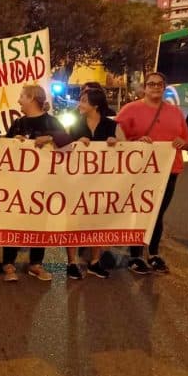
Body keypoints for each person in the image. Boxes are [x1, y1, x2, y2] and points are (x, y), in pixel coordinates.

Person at [116, 71, 188, 275]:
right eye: (151, 84)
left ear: (164, 87)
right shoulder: (131, 109)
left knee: (158, 213)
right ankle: (135, 255)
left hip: (169, 171)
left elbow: (187, 140)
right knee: (140, 211)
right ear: (144, 88)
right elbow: (116, 137)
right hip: (140, 171)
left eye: (160, 84)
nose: (156, 87)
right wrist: (135, 142)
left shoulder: (175, 112)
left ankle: (154, 253)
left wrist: (182, 143)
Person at [1, 84, 70, 282]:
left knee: (40, 223)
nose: (19, 100)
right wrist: (15, 141)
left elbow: (67, 140)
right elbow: (5, 147)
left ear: (31, 97)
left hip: (43, 185)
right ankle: (8, 263)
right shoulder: (18, 123)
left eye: (22, 96)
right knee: (13, 223)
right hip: (19, 184)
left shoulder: (51, 122)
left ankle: (36, 264)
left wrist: (48, 137)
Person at [65, 87, 126, 280]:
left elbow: (126, 148)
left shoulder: (111, 125)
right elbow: (62, 146)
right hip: (76, 182)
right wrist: (74, 141)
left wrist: (115, 142)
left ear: (96, 105)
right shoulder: (75, 125)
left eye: (83, 101)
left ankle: (94, 262)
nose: (79, 104)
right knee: (74, 222)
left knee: (97, 221)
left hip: (102, 183)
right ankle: (72, 262)